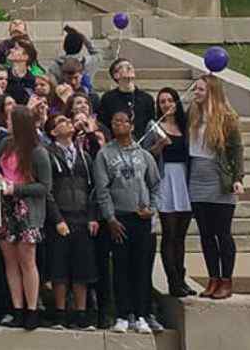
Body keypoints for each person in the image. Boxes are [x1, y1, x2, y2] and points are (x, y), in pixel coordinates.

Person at [93, 106, 161, 334]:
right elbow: (102, 189)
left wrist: (152, 208)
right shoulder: (104, 154)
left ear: (131, 126)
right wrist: (110, 218)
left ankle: (142, 314)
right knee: (120, 267)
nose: (118, 125)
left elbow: (155, 184)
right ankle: (123, 314)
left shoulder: (144, 155)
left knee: (141, 267)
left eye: (123, 121)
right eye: (114, 121)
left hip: (141, 218)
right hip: (119, 219)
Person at [187, 75, 245, 299]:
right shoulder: (193, 114)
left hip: (219, 178)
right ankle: (212, 278)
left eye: (200, 89)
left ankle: (226, 280)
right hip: (197, 178)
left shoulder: (227, 118)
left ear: (211, 91)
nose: (197, 93)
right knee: (206, 234)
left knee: (222, 233)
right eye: (196, 90)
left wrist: (238, 177)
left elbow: (237, 150)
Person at [0, 107, 51, 329]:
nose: (7, 122)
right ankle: (17, 308)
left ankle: (32, 309)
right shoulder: (5, 145)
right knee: (10, 261)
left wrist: (16, 189)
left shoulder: (38, 151)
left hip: (26, 209)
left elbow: (45, 187)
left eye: (10, 119)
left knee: (27, 260)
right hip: (5, 208)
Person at [43, 109, 97, 329]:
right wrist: (57, 219)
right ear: (54, 132)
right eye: (61, 122)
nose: (67, 123)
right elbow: (48, 190)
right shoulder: (48, 153)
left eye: (67, 120)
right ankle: (60, 313)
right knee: (59, 268)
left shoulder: (84, 155)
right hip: (61, 216)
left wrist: (93, 217)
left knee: (82, 268)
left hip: (82, 217)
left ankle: (82, 314)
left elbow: (93, 188)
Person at [146, 87, 194, 297]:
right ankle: (173, 280)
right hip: (166, 179)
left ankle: (182, 279)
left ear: (176, 103)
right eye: (162, 101)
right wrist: (159, 145)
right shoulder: (154, 126)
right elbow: (146, 155)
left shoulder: (186, 127)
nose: (166, 104)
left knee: (181, 236)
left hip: (184, 180)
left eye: (169, 100)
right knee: (170, 233)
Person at [97, 58, 155, 139]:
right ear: (116, 75)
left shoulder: (147, 98)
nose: (129, 67)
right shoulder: (108, 98)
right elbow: (104, 125)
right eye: (123, 67)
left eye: (130, 66)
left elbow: (150, 125)